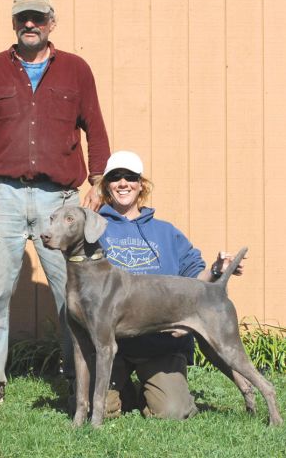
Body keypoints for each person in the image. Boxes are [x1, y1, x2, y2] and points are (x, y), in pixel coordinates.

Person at [0, 0, 110, 408]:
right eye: (23, 18)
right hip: (2, 196)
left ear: (51, 23)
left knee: (72, 295)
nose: (30, 25)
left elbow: (96, 127)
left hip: (61, 201)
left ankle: (80, 379)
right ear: (14, 24)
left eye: (37, 18)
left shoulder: (76, 70)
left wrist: (98, 180)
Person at [97, 150, 244, 420]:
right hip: (112, 344)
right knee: (101, 409)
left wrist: (216, 270)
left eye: (130, 177)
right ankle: (122, 391)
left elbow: (195, 281)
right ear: (106, 184)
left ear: (141, 184)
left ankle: (153, 387)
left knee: (171, 411)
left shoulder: (166, 232)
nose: (123, 183)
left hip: (159, 343)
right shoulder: (94, 228)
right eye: (115, 177)